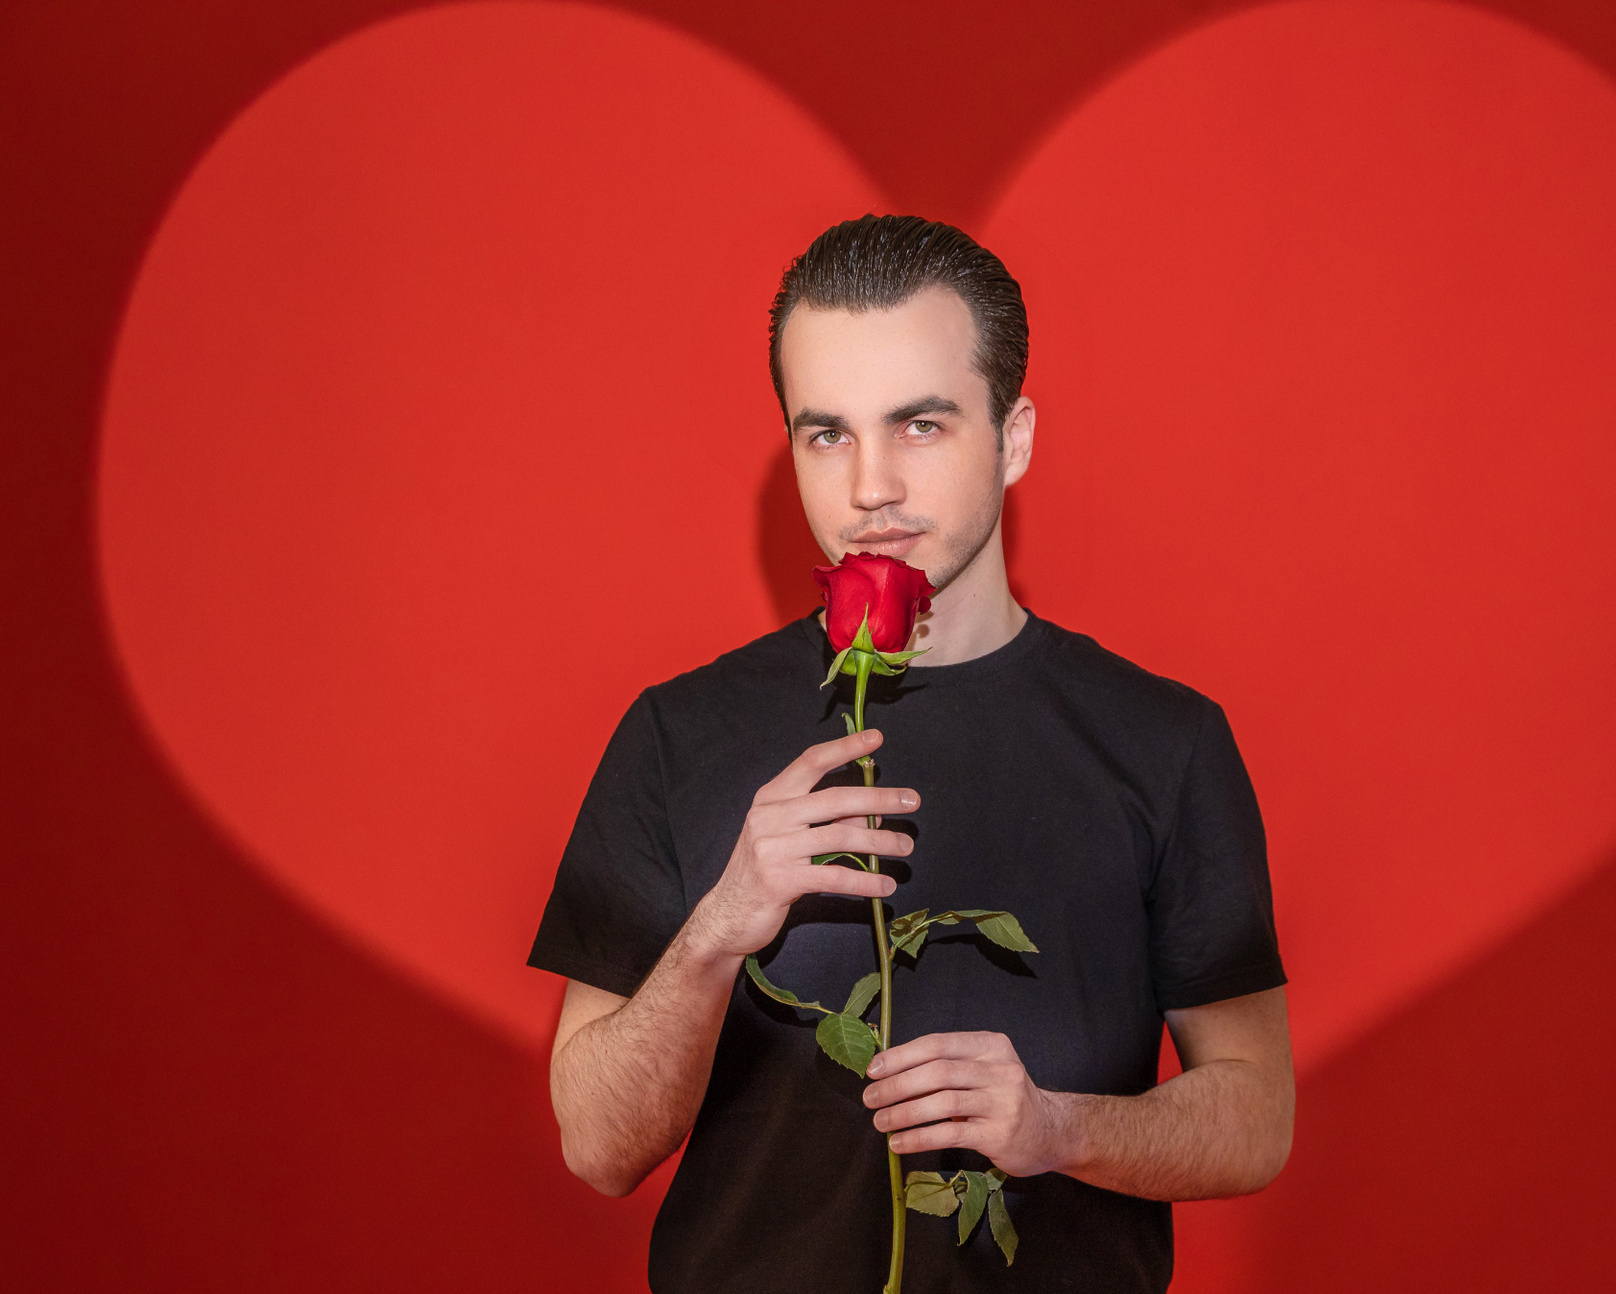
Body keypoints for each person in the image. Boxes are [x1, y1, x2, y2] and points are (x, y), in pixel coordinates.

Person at [529, 214, 1293, 1292]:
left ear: (1013, 438)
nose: (870, 487)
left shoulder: (1164, 742)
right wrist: (717, 928)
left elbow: (1256, 1115)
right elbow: (597, 1148)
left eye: (920, 426)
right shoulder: (675, 733)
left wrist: (1060, 1129)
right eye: (826, 435)